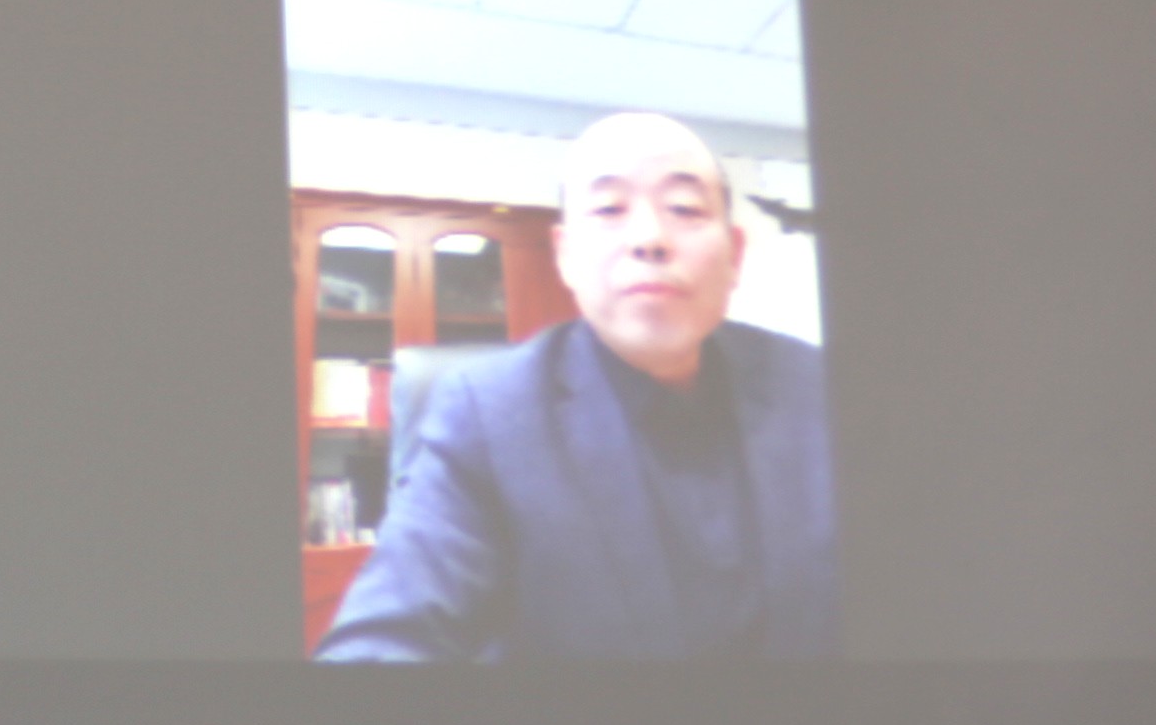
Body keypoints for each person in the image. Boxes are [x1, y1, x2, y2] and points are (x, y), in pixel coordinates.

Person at [315, 112, 834, 664]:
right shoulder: (488, 414)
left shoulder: (818, 388)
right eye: (609, 210)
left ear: (735, 254)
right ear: (564, 255)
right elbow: (388, 637)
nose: (650, 238)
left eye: (684, 209)